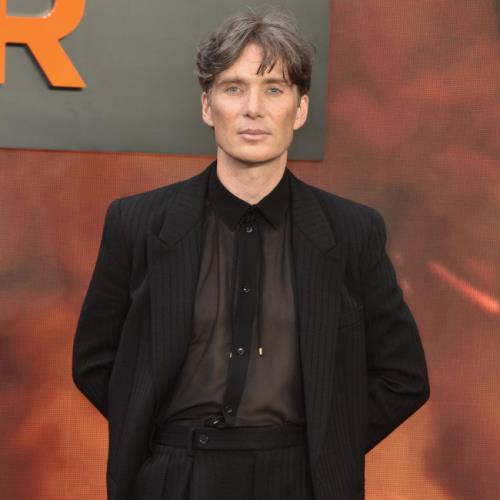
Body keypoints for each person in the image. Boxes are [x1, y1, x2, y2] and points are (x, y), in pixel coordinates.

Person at [72, 9, 430, 500]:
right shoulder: (136, 223)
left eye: (274, 89)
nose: (253, 109)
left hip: (299, 479)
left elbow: (403, 377)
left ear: (300, 109)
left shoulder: (352, 232)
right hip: (173, 477)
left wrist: (330, 444)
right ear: (207, 106)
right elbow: (94, 361)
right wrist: (153, 439)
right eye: (233, 88)